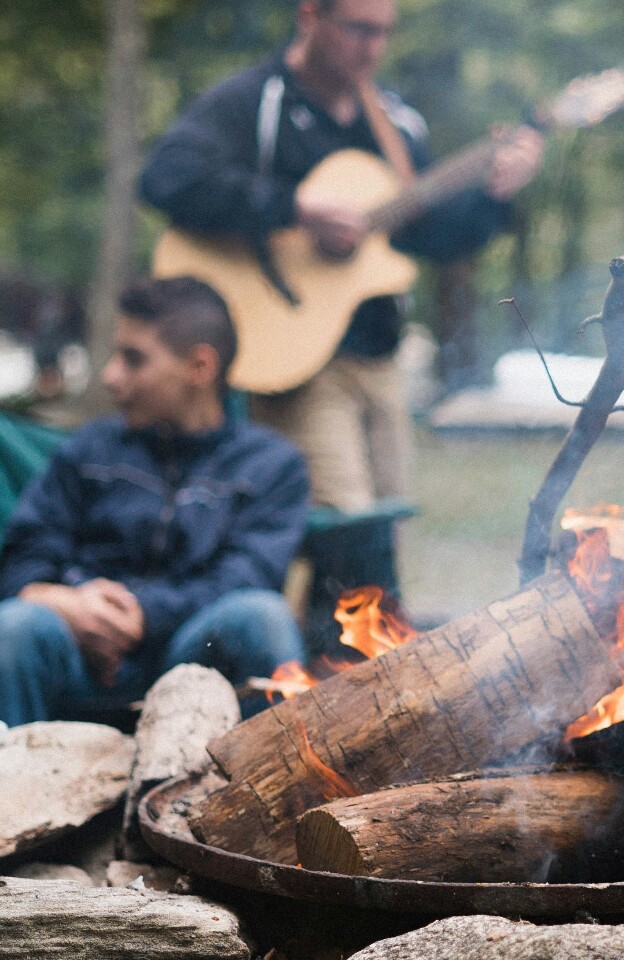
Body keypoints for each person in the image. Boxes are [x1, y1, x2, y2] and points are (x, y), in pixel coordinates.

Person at [139, 0, 544, 511]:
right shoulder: (253, 101)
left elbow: (430, 240)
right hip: (295, 357)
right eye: (357, 29)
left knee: (386, 522)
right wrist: (293, 208)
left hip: (379, 359)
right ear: (310, 16)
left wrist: (493, 198)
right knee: (343, 520)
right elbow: (166, 178)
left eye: (383, 33)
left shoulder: (396, 124)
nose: (371, 47)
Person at [0, 276, 310, 726]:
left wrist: (142, 614)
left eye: (134, 359)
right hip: (80, 656)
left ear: (199, 367)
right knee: (15, 626)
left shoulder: (272, 465)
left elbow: (246, 577)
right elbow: (24, 557)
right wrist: (64, 602)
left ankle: (282, 792)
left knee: (262, 617)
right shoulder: (89, 448)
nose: (110, 376)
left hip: (191, 659)